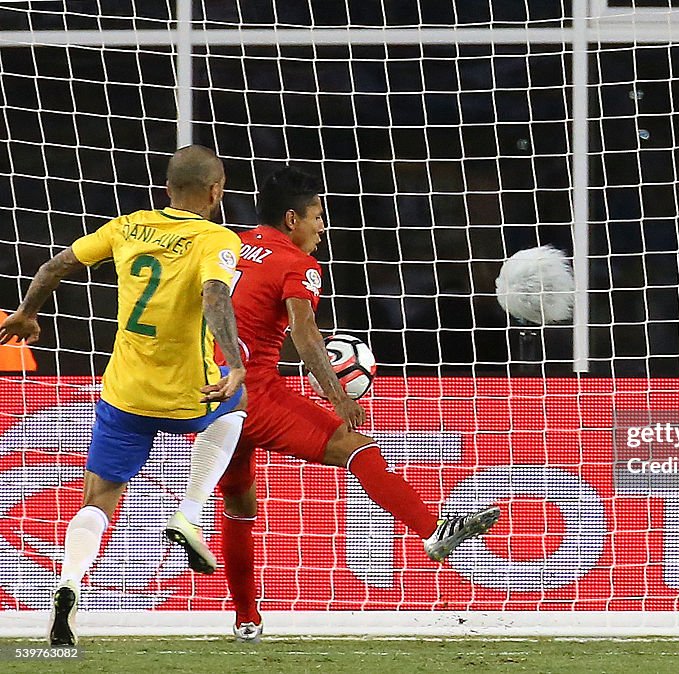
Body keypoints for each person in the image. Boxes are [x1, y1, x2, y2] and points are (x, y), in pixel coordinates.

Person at [218, 166, 498, 642]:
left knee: (239, 501)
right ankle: (432, 531)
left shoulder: (227, 246)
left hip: (206, 393)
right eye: (317, 217)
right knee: (356, 446)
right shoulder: (297, 264)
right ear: (292, 219)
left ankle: (246, 618)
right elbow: (305, 336)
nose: (322, 228)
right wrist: (335, 394)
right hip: (254, 394)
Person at [0, 145, 248, 647]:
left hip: (125, 392)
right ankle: (189, 512)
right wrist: (236, 362)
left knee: (99, 499)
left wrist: (25, 314)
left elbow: (53, 267)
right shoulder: (216, 238)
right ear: (216, 190)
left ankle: (67, 587)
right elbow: (216, 296)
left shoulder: (126, 226)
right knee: (238, 406)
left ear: (167, 187)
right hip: (187, 392)